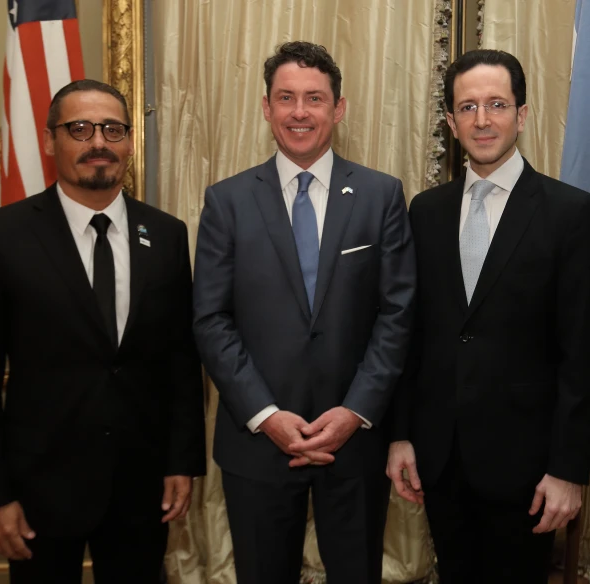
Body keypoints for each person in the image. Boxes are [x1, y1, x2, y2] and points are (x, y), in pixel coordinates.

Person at [0, 79, 205, 584]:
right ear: (50, 140)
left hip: (141, 488)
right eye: (80, 128)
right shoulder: (0, 237)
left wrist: (182, 462)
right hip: (38, 491)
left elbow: (179, 359)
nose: (98, 143)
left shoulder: (169, 235)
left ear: (129, 141)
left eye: (113, 129)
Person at [193, 41, 416, 584]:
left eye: (314, 98)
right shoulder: (227, 201)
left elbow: (398, 312)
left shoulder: (380, 195)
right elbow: (211, 320)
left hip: (355, 439)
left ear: (338, 108)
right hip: (258, 444)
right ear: (266, 107)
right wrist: (266, 416)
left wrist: (354, 411)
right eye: (286, 97)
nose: (299, 112)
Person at [387, 49, 590, 583]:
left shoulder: (571, 213)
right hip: (439, 462)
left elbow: (579, 357)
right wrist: (400, 436)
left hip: (529, 471)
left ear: (523, 114)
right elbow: (410, 336)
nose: (482, 120)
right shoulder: (426, 211)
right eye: (467, 107)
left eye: (496, 105)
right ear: (450, 120)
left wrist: (568, 470)